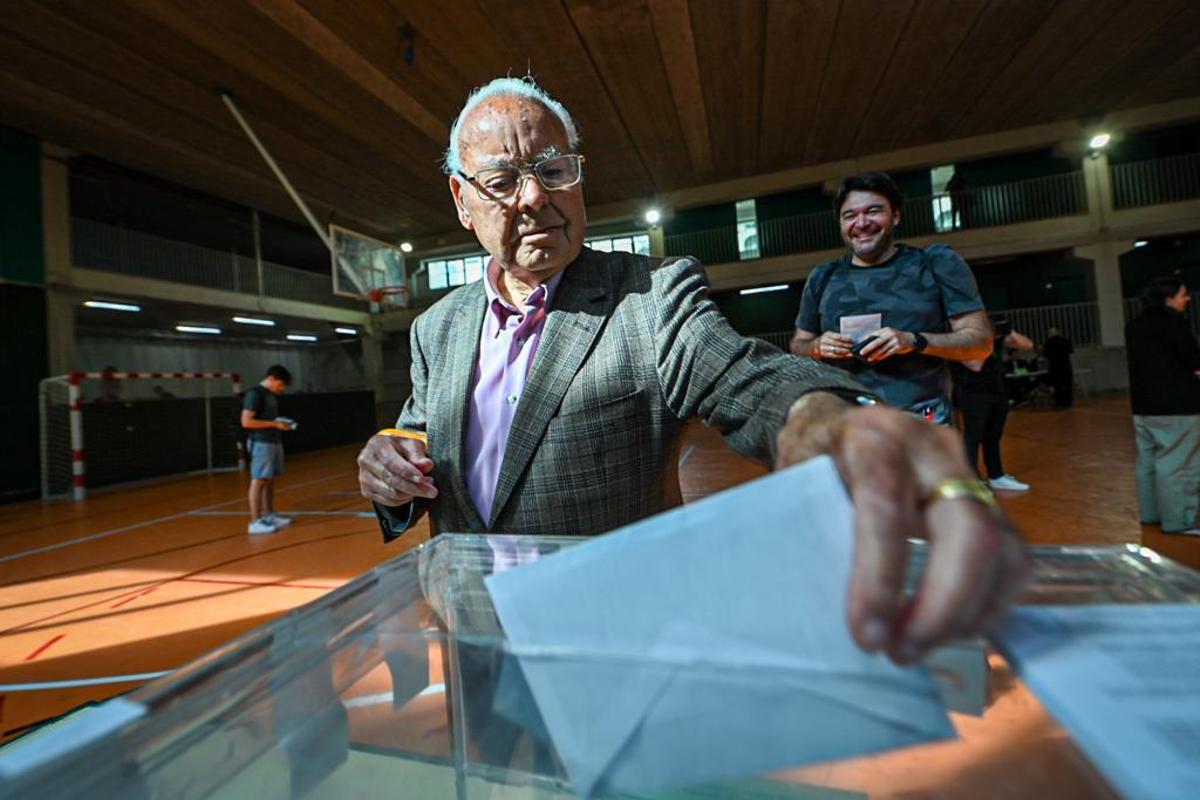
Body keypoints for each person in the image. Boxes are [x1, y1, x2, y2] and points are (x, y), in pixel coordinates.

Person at [357, 77, 1028, 664]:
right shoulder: (434, 328)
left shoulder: (650, 297)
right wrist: (392, 468)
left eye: (555, 169)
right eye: (504, 181)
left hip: (609, 639)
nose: (535, 196)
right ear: (461, 198)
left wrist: (830, 429)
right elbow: (421, 440)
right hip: (473, 632)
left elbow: (744, 375)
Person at [790, 172, 992, 425]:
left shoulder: (934, 263)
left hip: (922, 426)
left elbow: (981, 343)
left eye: (873, 211)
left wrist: (914, 340)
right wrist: (817, 346)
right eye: (849, 215)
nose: (861, 223)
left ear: (895, 216)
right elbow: (799, 345)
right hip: (846, 429)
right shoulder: (822, 276)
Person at [1125, 277, 1200, 536]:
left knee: (1148, 461)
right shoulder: (1174, 324)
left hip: (1144, 406)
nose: (1187, 299)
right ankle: (1179, 521)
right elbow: (1192, 359)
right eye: (1183, 294)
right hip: (1177, 405)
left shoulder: (1134, 326)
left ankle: (1151, 515)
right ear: (1168, 298)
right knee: (1178, 464)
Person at [956, 320, 1036, 492]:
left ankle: (996, 476)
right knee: (973, 437)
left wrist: (1009, 330)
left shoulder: (994, 341)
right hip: (974, 396)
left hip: (997, 393)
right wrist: (987, 338)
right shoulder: (961, 343)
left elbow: (1028, 345)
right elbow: (975, 365)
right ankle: (972, 479)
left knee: (993, 436)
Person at [242, 364, 295, 535]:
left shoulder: (270, 395)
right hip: (261, 443)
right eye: (280, 384)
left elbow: (267, 418)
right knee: (259, 480)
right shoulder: (254, 394)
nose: (281, 388)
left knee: (270, 479)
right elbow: (247, 422)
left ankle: (269, 514)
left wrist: (280, 422)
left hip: (273, 441)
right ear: (271, 379)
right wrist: (274, 424)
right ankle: (255, 521)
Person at [1042, 326, 1074, 408]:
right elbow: (1070, 351)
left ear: (1051, 334)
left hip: (1055, 367)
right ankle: (1068, 402)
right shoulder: (1065, 341)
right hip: (1066, 366)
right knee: (1067, 385)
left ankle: (1059, 402)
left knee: (1057, 385)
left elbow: (1045, 354)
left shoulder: (1048, 343)